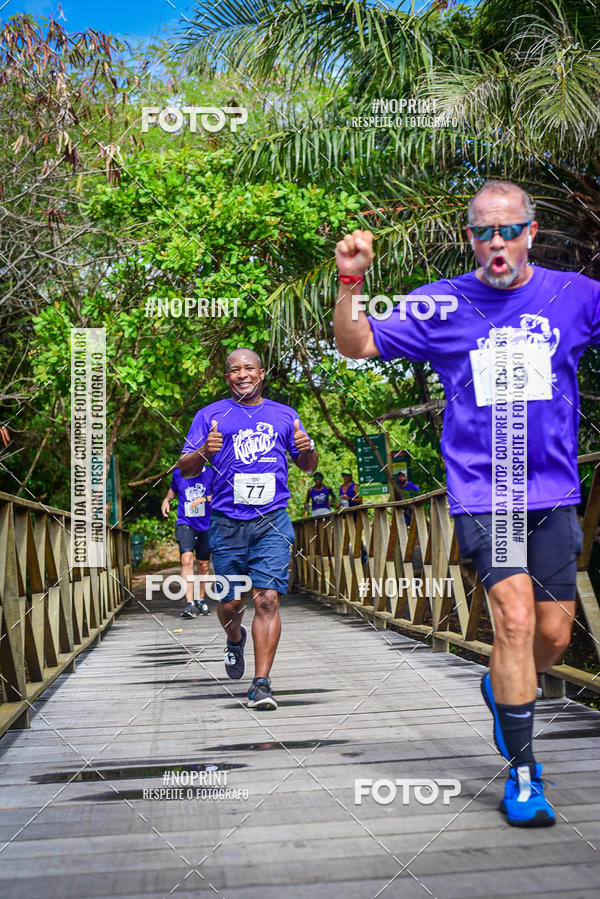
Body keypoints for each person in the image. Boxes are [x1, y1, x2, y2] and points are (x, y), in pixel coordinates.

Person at [333, 179, 600, 827]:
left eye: (510, 229)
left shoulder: (575, 295)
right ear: (471, 237)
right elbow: (357, 344)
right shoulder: (442, 304)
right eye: (485, 231)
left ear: (532, 231)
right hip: (488, 489)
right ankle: (525, 775)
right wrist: (349, 285)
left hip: (557, 490)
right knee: (511, 621)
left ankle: (505, 685)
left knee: (554, 633)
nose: (498, 242)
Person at [179, 347, 318, 710]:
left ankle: (261, 684)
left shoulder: (284, 415)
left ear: (261, 373)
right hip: (226, 524)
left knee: (268, 599)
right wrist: (204, 452)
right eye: (234, 370)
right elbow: (186, 468)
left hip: (272, 520)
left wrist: (307, 449)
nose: (242, 374)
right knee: (229, 602)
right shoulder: (209, 415)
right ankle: (234, 638)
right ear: (227, 378)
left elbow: (307, 466)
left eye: (249, 368)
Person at [161, 466, 214, 618]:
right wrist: (166, 499)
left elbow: (220, 495)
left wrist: (203, 499)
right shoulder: (178, 473)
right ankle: (189, 603)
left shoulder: (211, 473)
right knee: (186, 560)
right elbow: (173, 490)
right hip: (185, 523)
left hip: (206, 525)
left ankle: (200, 599)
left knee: (203, 565)